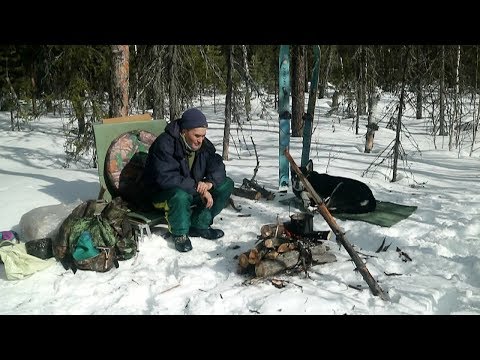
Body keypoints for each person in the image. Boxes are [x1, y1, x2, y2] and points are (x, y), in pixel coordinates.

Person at [142, 108, 234, 252]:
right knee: (180, 195)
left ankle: (199, 224)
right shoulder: (165, 144)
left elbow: (217, 166)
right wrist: (198, 188)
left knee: (225, 184)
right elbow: (167, 178)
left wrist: (209, 184)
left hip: (190, 189)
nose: (200, 140)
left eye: (203, 136)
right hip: (160, 194)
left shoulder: (203, 145)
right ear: (184, 131)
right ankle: (180, 234)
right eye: (197, 135)